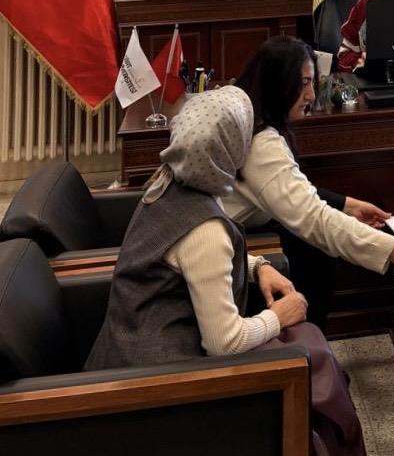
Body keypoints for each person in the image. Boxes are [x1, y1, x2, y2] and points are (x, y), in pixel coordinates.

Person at [85, 87, 364, 455]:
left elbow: (183, 261)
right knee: (308, 352)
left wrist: (257, 266)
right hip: (161, 392)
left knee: (308, 347)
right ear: (231, 150)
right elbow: (224, 343)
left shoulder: (166, 183)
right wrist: (278, 317)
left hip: (123, 356)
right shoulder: (207, 229)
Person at [226, 35, 394, 329]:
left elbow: (291, 190)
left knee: (313, 252)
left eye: (312, 83)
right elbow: (315, 218)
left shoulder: (257, 122)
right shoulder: (262, 144)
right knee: (314, 248)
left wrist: (348, 205)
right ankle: (308, 344)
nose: (311, 95)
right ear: (277, 84)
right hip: (228, 242)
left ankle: (312, 340)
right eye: (303, 83)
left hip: (247, 225)